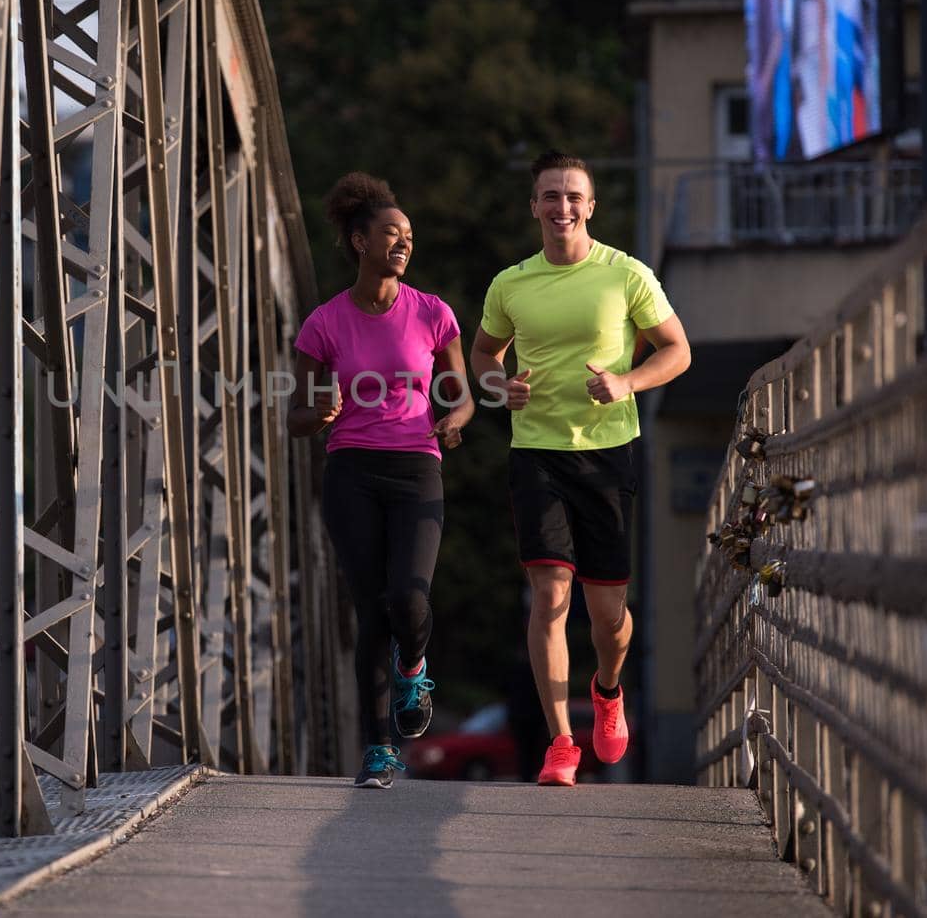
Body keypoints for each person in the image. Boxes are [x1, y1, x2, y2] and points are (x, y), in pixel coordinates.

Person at [469, 152, 691, 786]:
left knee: (609, 620)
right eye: (550, 196)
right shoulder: (511, 283)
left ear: (591, 206)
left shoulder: (626, 274)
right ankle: (562, 742)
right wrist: (498, 385)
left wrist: (626, 381)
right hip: (536, 453)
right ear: (533, 206)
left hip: (606, 456)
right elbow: (486, 352)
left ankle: (608, 689)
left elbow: (677, 350)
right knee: (548, 598)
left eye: (573, 196)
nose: (561, 207)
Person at [288, 172, 474, 789]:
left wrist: (455, 420)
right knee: (371, 610)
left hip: (418, 464)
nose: (403, 244)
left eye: (409, 237)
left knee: (410, 598)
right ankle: (377, 749)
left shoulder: (433, 314)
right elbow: (294, 418)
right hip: (352, 471)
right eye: (391, 234)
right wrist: (318, 413)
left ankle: (413, 667)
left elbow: (463, 396)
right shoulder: (324, 324)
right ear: (359, 241)